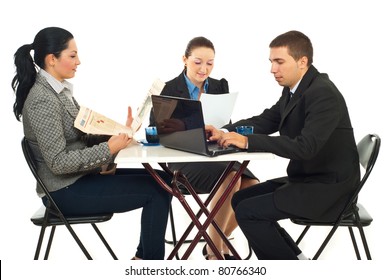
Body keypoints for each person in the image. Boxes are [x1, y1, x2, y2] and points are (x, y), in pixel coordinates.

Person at [12, 27, 172, 260]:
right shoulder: (42, 101)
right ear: (52, 59)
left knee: (163, 180)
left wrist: (119, 133)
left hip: (80, 179)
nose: (79, 62)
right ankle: (150, 266)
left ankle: (142, 260)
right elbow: (58, 163)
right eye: (73, 55)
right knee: (159, 190)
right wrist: (110, 148)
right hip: (64, 191)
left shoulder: (59, 92)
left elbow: (83, 135)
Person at [206, 30, 360, 260]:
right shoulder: (294, 90)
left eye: (279, 62)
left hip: (329, 190)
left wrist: (247, 141)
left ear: (302, 62)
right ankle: (296, 259)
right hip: (309, 179)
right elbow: (267, 120)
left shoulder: (323, 93)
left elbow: (305, 147)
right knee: (241, 200)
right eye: (271, 62)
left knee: (249, 212)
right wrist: (225, 132)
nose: (272, 69)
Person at [150, 36, 259, 260]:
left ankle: (215, 239)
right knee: (231, 177)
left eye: (210, 63)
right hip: (183, 159)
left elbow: (226, 123)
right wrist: (185, 126)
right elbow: (156, 131)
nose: (204, 69)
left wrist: (222, 131)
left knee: (252, 186)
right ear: (185, 59)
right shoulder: (168, 89)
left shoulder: (219, 86)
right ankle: (215, 252)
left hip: (216, 152)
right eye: (198, 62)